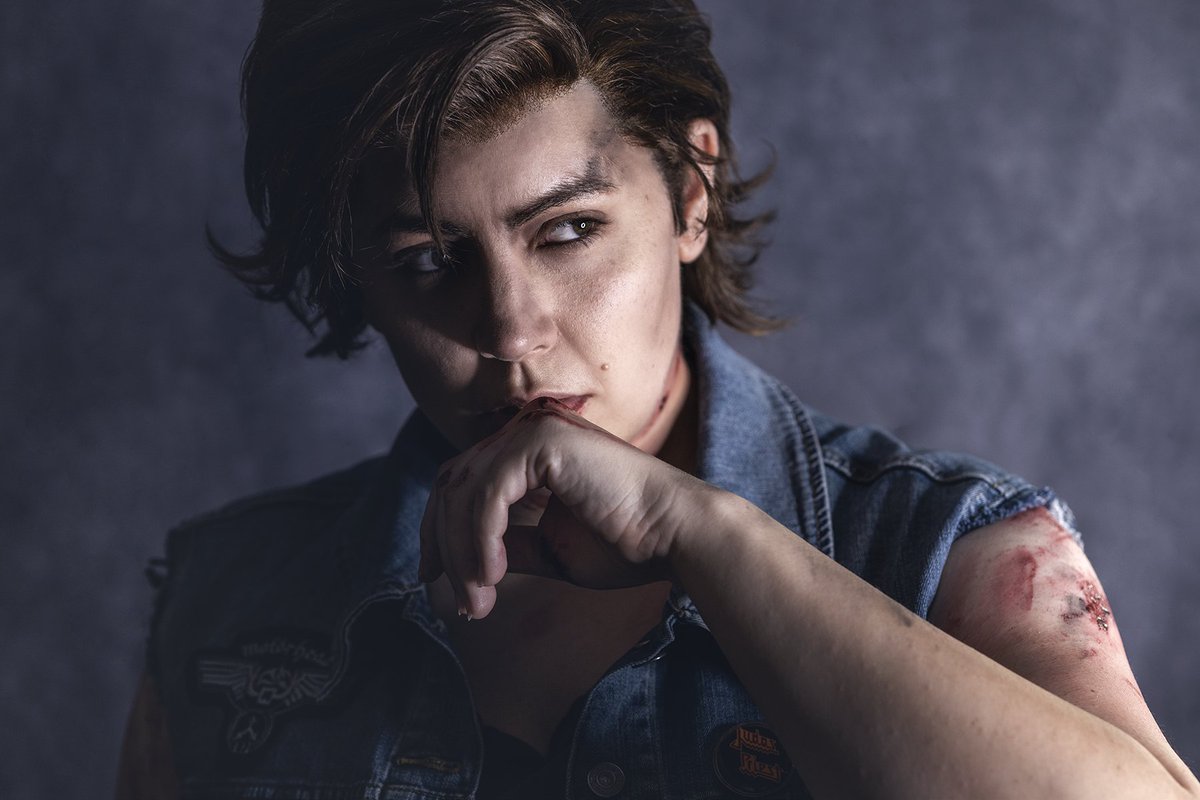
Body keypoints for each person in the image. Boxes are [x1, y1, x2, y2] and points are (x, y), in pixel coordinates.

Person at [117, 1, 1199, 798]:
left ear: (690, 192)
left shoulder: (942, 551)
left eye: (568, 231)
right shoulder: (237, 603)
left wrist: (702, 532)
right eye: (429, 262)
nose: (512, 331)